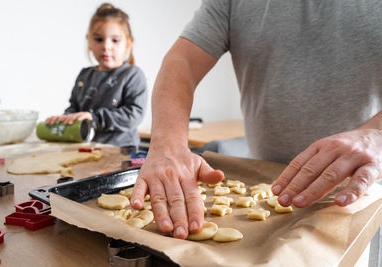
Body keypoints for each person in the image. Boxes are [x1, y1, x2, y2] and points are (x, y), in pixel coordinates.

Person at [131, 0, 382, 242]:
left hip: (360, 192)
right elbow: (182, 62)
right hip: (264, 187)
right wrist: (168, 144)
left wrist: (376, 133)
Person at [46, 3, 147, 148]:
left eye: (115, 40)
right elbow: (75, 107)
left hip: (120, 152)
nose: (106, 46)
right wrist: (66, 119)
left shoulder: (132, 75)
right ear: (89, 42)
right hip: (87, 149)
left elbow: (134, 116)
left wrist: (95, 118)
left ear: (128, 44)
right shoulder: (84, 75)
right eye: (99, 39)